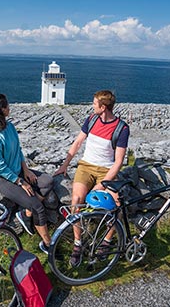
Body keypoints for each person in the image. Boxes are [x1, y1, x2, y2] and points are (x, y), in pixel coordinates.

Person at [54, 89, 129, 266]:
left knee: (116, 205)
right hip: (86, 166)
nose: (92, 106)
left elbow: (118, 162)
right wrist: (65, 164)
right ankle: (78, 243)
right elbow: (78, 142)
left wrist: (102, 184)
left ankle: (106, 242)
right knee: (76, 200)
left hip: (107, 170)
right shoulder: (91, 119)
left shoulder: (122, 129)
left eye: (95, 103)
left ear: (103, 107)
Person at [0, 93, 54, 254]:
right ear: (1, 110)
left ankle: (25, 213)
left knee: (48, 181)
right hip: (3, 178)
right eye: (7, 105)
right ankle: (48, 244)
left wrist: (26, 170)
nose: (9, 107)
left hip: (19, 171)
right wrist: (20, 182)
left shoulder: (10, 127)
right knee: (37, 206)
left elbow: (18, 151)